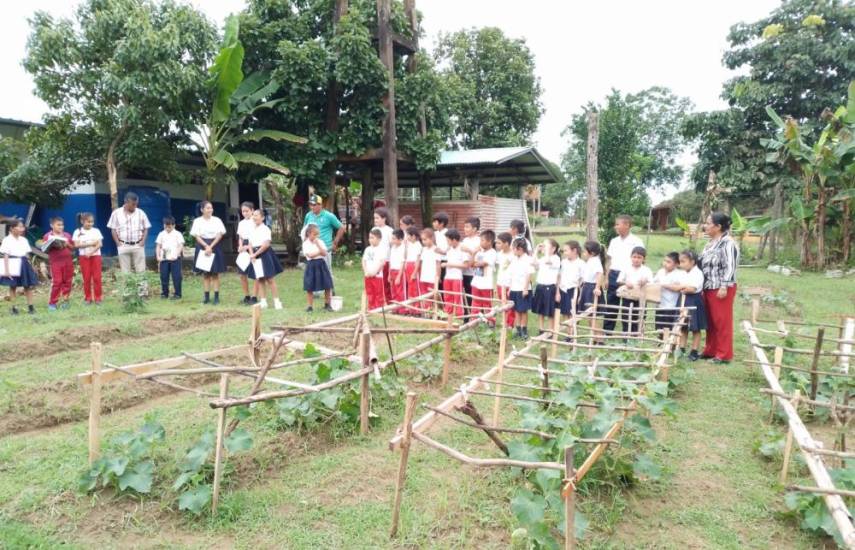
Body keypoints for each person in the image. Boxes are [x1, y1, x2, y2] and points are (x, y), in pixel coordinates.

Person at [699, 212, 739, 363]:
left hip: (722, 287)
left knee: (722, 321)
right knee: (710, 321)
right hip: (708, 287)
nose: (706, 226)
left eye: (709, 223)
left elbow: (730, 266)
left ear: (718, 227)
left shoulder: (728, 243)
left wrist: (724, 286)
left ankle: (723, 354)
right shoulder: (709, 243)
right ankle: (710, 350)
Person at [604, 215, 644, 333]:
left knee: (628, 306)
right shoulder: (614, 241)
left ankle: (628, 334)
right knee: (611, 304)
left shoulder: (637, 241)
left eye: (618, 224)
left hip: (629, 276)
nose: (615, 226)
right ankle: (607, 332)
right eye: (616, 224)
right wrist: (606, 277)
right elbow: (610, 260)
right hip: (614, 275)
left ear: (627, 225)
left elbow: (641, 260)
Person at [302, 194, 345, 288]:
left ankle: (330, 290)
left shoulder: (329, 216)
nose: (312, 207)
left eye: (314, 205)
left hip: (325, 248)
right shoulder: (308, 215)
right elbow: (305, 230)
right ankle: (316, 290)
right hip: (312, 249)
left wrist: (335, 242)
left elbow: (341, 228)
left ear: (320, 205)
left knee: (327, 270)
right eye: (311, 205)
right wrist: (305, 243)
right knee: (313, 270)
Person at [190, 201, 227, 305]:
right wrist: (206, 246)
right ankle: (206, 297)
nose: (210, 210)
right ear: (202, 210)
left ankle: (216, 297)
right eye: (207, 208)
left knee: (215, 273)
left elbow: (220, 234)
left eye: (211, 208)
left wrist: (211, 246)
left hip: (215, 245)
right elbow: (196, 236)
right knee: (206, 274)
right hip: (202, 246)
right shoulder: (197, 221)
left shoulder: (217, 220)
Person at [247, 209, 284, 310]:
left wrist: (255, 254)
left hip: (264, 254)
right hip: (254, 255)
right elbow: (249, 244)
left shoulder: (265, 229)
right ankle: (263, 301)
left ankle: (277, 301)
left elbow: (266, 244)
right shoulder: (251, 229)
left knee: (270, 278)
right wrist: (251, 255)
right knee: (260, 278)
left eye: (257, 215)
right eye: (253, 215)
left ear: (262, 218)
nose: (254, 217)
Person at [107, 192, 151, 274]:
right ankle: (126, 287)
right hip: (123, 245)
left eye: (136, 204)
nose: (135, 206)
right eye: (133, 204)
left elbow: (146, 228)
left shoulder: (141, 213)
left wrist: (142, 242)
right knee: (125, 272)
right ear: (126, 202)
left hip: (138, 245)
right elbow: (113, 229)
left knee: (141, 271)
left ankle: (142, 287)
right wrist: (118, 243)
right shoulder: (116, 213)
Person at [0, 219, 37, 314]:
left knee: (27, 286)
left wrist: (32, 266)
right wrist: (7, 271)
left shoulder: (24, 240)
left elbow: (27, 255)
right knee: (13, 286)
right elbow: (6, 255)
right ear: (12, 228)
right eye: (19, 227)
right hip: (12, 263)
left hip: (24, 263)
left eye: (23, 227)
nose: (22, 229)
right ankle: (14, 307)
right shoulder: (7, 240)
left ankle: (31, 307)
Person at [616, 246, 654, 334]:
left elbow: (651, 283)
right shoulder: (626, 268)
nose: (636, 259)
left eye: (639, 257)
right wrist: (626, 282)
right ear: (631, 257)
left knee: (639, 317)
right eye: (634, 257)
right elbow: (619, 281)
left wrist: (645, 281)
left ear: (643, 259)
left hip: (641, 298)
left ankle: (637, 335)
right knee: (626, 317)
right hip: (627, 297)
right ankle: (626, 335)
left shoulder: (646, 270)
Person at [679, 250, 707, 361]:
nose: (681, 264)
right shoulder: (683, 273)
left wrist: (681, 287)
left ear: (692, 262)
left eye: (683, 261)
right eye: (680, 262)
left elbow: (691, 289)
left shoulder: (697, 273)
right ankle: (681, 348)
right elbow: (680, 286)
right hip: (683, 300)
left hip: (694, 301)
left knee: (695, 328)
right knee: (683, 326)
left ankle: (694, 351)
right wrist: (681, 287)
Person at [42, 217, 74, 311]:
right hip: (55, 262)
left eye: (62, 225)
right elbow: (44, 249)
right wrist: (53, 244)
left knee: (67, 281)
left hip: (68, 261)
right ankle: (52, 303)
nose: (61, 227)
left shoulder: (67, 235)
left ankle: (65, 301)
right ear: (52, 225)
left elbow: (73, 247)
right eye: (58, 225)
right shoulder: (47, 236)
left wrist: (67, 244)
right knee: (57, 282)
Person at [72, 212, 103, 305]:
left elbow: (100, 244)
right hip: (83, 257)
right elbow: (77, 245)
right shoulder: (77, 232)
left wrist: (91, 252)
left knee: (97, 278)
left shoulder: (96, 231)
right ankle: (88, 298)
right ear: (82, 221)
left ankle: (98, 298)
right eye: (88, 222)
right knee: (86, 278)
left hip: (95, 256)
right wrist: (91, 243)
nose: (90, 224)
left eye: (92, 222)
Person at [531, 239, 561, 333]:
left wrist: (547, 251)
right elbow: (533, 263)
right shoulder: (543, 258)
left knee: (550, 310)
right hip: (540, 286)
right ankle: (541, 329)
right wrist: (536, 251)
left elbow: (548, 261)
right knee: (540, 309)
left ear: (553, 248)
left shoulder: (556, 258)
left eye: (546, 246)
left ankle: (551, 330)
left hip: (550, 286)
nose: (543, 247)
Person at [302, 223, 333, 312]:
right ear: (309, 234)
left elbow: (324, 253)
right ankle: (310, 306)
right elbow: (310, 255)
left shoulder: (320, 242)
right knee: (310, 286)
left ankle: (327, 304)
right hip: (311, 265)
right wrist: (320, 252)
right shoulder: (305, 244)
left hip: (321, 264)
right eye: (314, 234)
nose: (316, 236)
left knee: (327, 284)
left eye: (317, 234)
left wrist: (318, 246)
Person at [508, 239, 534, 340]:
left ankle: (524, 329)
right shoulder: (514, 259)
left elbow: (529, 274)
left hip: (523, 288)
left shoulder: (527, 259)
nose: (512, 250)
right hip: (514, 288)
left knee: (523, 310)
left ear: (520, 249)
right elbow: (511, 274)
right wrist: (510, 288)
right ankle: (518, 329)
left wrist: (525, 288)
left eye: (514, 248)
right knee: (516, 310)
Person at [470, 229, 497, 325]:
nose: (480, 242)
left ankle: (491, 322)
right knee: (475, 303)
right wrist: (473, 254)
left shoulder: (492, 253)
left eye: (482, 240)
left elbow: (482, 263)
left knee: (487, 304)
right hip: (476, 282)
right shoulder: (479, 252)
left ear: (489, 242)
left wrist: (475, 263)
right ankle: (474, 322)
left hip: (486, 284)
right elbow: (471, 264)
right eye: (480, 240)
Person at [653, 252, 684, 333]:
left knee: (668, 328)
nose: (665, 264)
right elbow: (653, 283)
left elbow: (679, 288)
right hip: (660, 304)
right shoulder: (660, 272)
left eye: (668, 262)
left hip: (671, 306)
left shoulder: (679, 274)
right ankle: (659, 343)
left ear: (677, 264)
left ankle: (668, 344)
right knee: (659, 327)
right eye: (665, 261)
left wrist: (664, 285)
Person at [155, 216, 184, 300]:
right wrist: (157, 256)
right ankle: (164, 293)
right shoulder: (161, 234)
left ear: (174, 225)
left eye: (170, 226)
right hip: (164, 259)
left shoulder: (177, 234)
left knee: (176, 277)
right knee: (163, 276)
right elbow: (158, 246)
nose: (167, 228)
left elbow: (181, 245)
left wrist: (176, 255)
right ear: (163, 225)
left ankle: (177, 294)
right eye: (166, 226)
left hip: (175, 259)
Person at [441, 229, 468, 318]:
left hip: (457, 277)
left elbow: (465, 265)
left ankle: (459, 315)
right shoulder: (449, 249)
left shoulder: (462, 248)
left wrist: (449, 264)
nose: (447, 242)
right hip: (448, 276)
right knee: (447, 296)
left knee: (457, 297)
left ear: (454, 240)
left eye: (448, 240)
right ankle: (449, 313)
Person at [237, 201, 259, 305]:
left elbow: (255, 237)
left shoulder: (255, 222)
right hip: (243, 249)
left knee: (255, 274)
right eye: (243, 211)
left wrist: (247, 247)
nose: (245, 213)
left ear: (252, 211)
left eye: (247, 211)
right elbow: (240, 237)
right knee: (242, 274)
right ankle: (247, 296)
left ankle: (254, 297)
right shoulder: (241, 223)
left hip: (253, 246)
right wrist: (240, 246)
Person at [557, 240, 584, 319]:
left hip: (573, 291)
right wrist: (558, 292)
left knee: (573, 313)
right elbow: (559, 277)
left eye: (566, 250)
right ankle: (568, 331)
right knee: (565, 312)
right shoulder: (563, 262)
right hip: (563, 290)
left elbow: (583, 281)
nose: (564, 253)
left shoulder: (581, 264)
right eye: (563, 251)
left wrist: (580, 296)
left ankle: (572, 331)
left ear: (574, 250)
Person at [416, 228, 440, 314]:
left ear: (432, 238)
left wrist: (438, 276)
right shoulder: (423, 249)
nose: (423, 242)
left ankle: (432, 311)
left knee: (432, 295)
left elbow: (438, 264)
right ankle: (425, 311)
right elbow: (421, 263)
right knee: (424, 294)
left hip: (432, 277)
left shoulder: (436, 249)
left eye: (425, 239)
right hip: (424, 276)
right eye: (422, 240)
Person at [373, 207, 394, 300]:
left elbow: (392, 246)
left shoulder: (389, 230)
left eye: (377, 218)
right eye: (374, 218)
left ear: (384, 218)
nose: (375, 220)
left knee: (385, 282)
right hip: (375, 260)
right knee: (376, 281)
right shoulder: (374, 229)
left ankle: (388, 302)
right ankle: (377, 300)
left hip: (386, 260)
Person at [460, 217, 481, 310]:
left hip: (475, 273)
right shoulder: (465, 240)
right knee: (466, 295)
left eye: (467, 227)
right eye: (464, 226)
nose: (465, 229)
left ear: (475, 229)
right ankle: (467, 315)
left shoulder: (480, 241)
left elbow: (477, 255)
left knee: (475, 295)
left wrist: (468, 250)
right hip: (464, 272)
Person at [495, 232, 516, 329]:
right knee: (502, 302)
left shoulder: (513, 255)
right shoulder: (499, 254)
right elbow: (500, 269)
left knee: (509, 303)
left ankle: (510, 323)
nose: (497, 245)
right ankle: (504, 321)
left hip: (509, 283)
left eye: (499, 243)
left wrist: (512, 285)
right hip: (500, 282)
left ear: (507, 243)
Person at [362, 228, 386, 310]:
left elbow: (382, 262)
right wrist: (366, 271)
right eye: (369, 238)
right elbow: (364, 261)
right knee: (369, 291)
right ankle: (371, 307)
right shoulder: (368, 249)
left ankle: (378, 308)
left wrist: (375, 272)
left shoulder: (381, 249)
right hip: (368, 275)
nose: (370, 240)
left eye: (372, 238)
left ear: (379, 239)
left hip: (377, 276)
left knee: (378, 292)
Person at [403, 226, 422, 314]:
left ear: (413, 236)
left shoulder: (418, 245)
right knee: (410, 288)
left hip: (414, 266)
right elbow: (406, 256)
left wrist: (414, 272)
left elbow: (418, 260)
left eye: (408, 235)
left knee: (415, 288)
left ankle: (417, 308)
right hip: (408, 265)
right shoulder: (409, 244)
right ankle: (411, 307)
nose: (406, 237)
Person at [388, 229, 406, 312]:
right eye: (392, 238)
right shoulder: (392, 248)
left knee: (400, 291)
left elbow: (402, 262)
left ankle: (402, 309)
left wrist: (399, 276)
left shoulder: (403, 248)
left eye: (394, 239)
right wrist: (389, 274)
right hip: (392, 271)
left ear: (400, 239)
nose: (392, 240)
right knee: (393, 290)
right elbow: (390, 262)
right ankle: (395, 308)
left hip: (399, 271)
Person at [431, 211, 450, 283]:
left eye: (435, 222)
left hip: (444, 261)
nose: (433, 223)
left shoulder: (448, 233)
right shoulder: (435, 233)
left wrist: (443, 252)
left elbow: (451, 246)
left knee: (442, 281)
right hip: (436, 260)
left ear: (441, 223)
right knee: (436, 281)